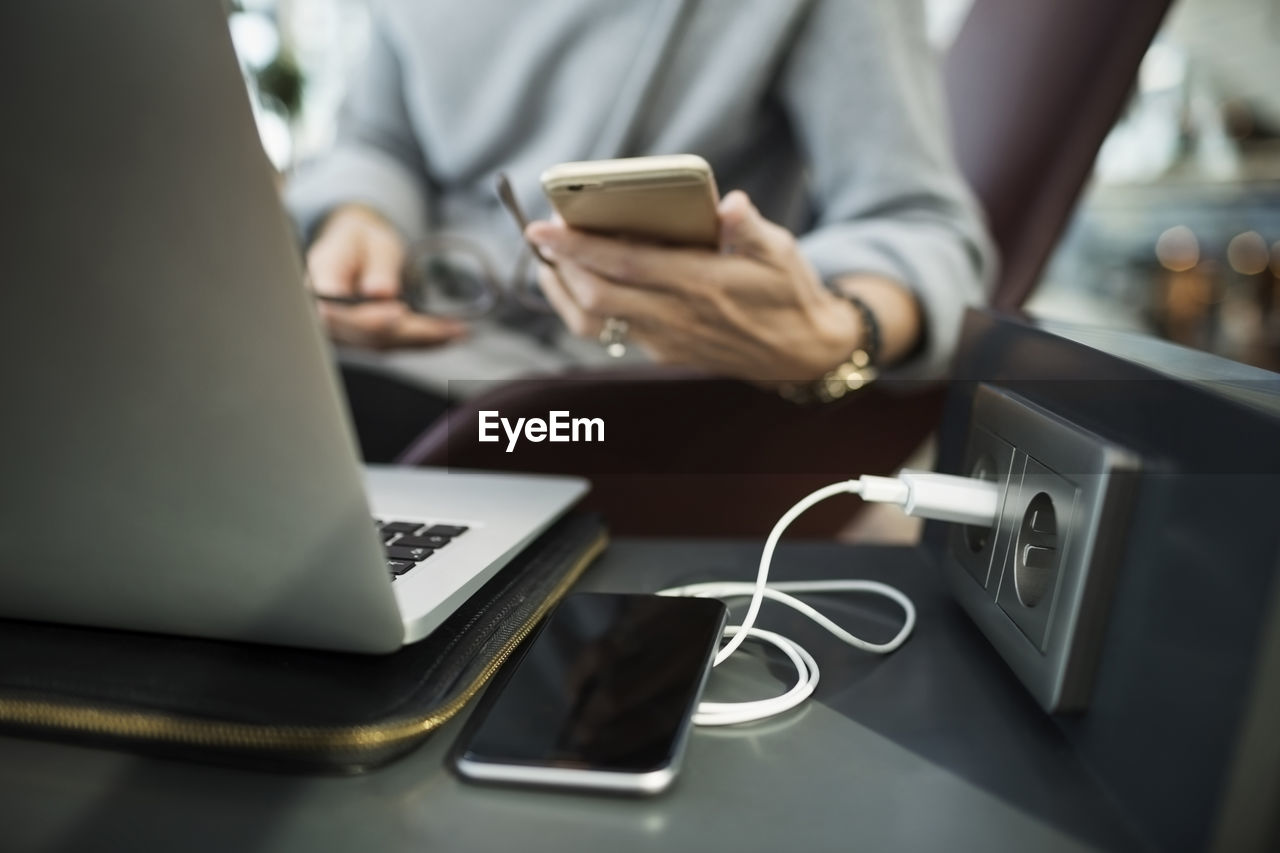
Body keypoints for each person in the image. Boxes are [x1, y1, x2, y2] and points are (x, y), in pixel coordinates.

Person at [286, 0, 994, 457]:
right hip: (391, 340)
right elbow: (376, 139)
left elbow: (920, 224)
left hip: (578, 400)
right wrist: (360, 217)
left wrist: (842, 330)